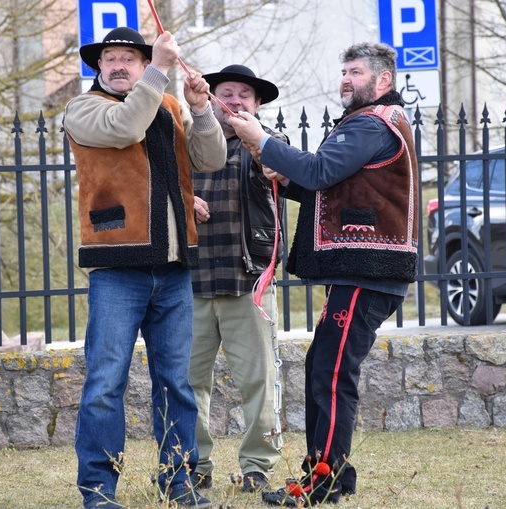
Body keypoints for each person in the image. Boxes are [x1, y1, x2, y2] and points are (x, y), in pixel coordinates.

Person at [230, 42, 419, 506]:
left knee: (331, 374)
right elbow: (324, 187)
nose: (346, 79)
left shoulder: (374, 124)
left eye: (356, 72)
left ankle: (323, 478)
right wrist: (284, 175)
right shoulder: (366, 125)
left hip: (367, 271)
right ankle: (334, 471)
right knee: (324, 366)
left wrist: (263, 140)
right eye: (344, 72)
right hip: (359, 271)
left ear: (384, 81)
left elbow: (320, 170)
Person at [62, 27, 226, 509]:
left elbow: (210, 158)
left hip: (173, 268)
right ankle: (97, 490)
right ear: (98, 68)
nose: (118, 65)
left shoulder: (167, 105)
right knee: (105, 383)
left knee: (177, 383)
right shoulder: (84, 109)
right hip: (116, 269)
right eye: (109, 58)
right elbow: (126, 129)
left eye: (129, 58)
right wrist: (158, 70)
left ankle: (180, 482)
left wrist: (200, 108)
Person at [187, 65, 288, 493]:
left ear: (257, 104)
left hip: (250, 281)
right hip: (189, 280)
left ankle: (257, 467)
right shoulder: (187, 144)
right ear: (209, 99)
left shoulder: (270, 146)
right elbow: (157, 188)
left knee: (259, 381)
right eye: (225, 91)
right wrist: (182, 200)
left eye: (245, 94)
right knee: (188, 382)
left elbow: (290, 177)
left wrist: (271, 164)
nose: (235, 99)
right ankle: (193, 463)